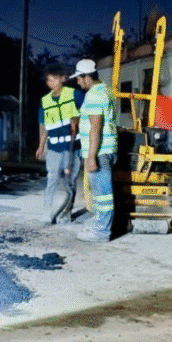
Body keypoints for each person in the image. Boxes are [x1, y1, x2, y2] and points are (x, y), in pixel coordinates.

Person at [71, 59, 118, 242]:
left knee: (103, 194)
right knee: (99, 193)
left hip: (99, 151)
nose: (78, 82)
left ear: (86, 77)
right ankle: (99, 224)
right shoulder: (104, 90)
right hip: (105, 149)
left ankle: (101, 232)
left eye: (79, 78)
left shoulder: (94, 95)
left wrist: (91, 156)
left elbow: (95, 127)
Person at [36, 63, 85, 224]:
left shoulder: (75, 95)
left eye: (54, 80)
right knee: (52, 180)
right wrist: (41, 146)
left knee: (70, 181)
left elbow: (89, 114)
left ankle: (66, 213)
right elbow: (43, 127)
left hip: (73, 147)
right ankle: (47, 212)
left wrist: (77, 120)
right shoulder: (44, 101)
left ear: (62, 79)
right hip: (54, 149)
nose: (51, 83)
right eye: (48, 81)